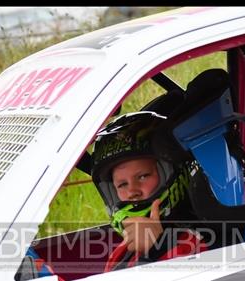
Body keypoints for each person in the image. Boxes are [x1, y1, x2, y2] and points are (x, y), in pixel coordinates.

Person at [89, 111, 210, 272]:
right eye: (122, 184)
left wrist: (157, 247)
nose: (132, 191)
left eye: (143, 176)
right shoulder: (122, 250)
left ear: (170, 172)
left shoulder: (194, 240)